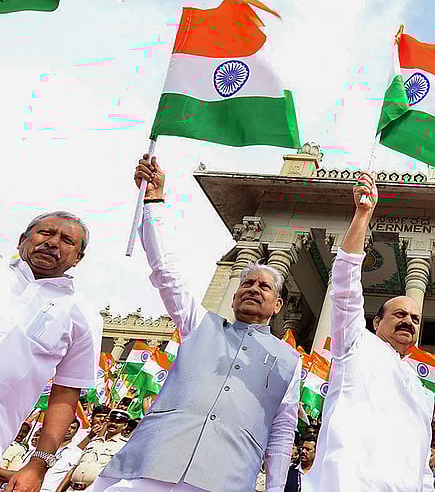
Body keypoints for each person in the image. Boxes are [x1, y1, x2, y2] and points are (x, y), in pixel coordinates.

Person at [91, 154, 302, 492]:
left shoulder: (290, 361)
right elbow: (166, 272)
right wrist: (153, 203)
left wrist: (276, 489)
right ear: (233, 298)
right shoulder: (200, 324)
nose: (253, 289)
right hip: (150, 466)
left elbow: (281, 431)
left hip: (225, 478)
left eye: (264, 287)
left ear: (277, 305)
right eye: (247, 283)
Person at [302, 172, 435, 491]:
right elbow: (345, 284)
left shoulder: (421, 389)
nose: (408, 322)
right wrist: (363, 215)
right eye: (400, 314)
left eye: (415, 319)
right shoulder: (356, 344)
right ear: (377, 322)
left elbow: (422, 464)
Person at [1, 210, 103, 492]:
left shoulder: (82, 316)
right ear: (22, 239)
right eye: (45, 233)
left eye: (67, 240)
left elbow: (66, 393)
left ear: (78, 258)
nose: (53, 242)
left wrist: (38, 465)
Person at [1, 419, 83, 492]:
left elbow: (69, 479)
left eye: (72, 428)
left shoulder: (77, 454)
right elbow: (22, 471)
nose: (69, 429)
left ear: (76, 431)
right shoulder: (40, 448)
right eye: (67, 426)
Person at [61, 409, 129, 490]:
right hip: (72, 488)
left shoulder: (125, 446)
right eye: (111, 420)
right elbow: (74, 468)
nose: (113, 424)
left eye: (118, 422)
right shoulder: (94, 441)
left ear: (125, 425)